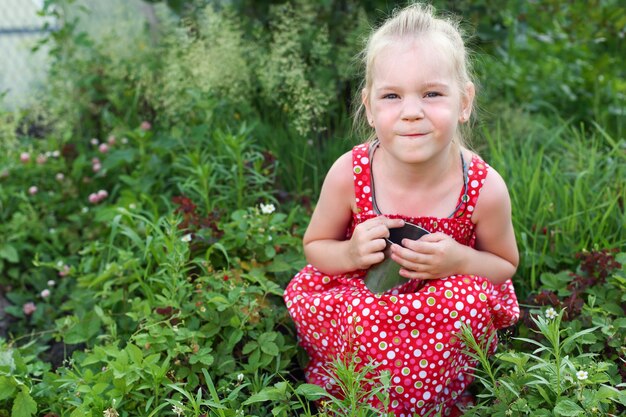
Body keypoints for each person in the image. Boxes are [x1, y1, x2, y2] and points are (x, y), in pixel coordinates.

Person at [284, 3, 520, 416]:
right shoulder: (350, 173)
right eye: (392, 96)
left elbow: (503, 264)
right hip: (368, 296)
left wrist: (459, 259)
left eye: (432, 93)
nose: (412, 111)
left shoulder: (484, 188)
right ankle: (354, 398)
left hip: (443, 302)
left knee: (466, 302)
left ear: (464, 102)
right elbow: (316, 245)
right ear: (370, 108)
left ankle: (441, 397)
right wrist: (351, 253)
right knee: (359, 312)